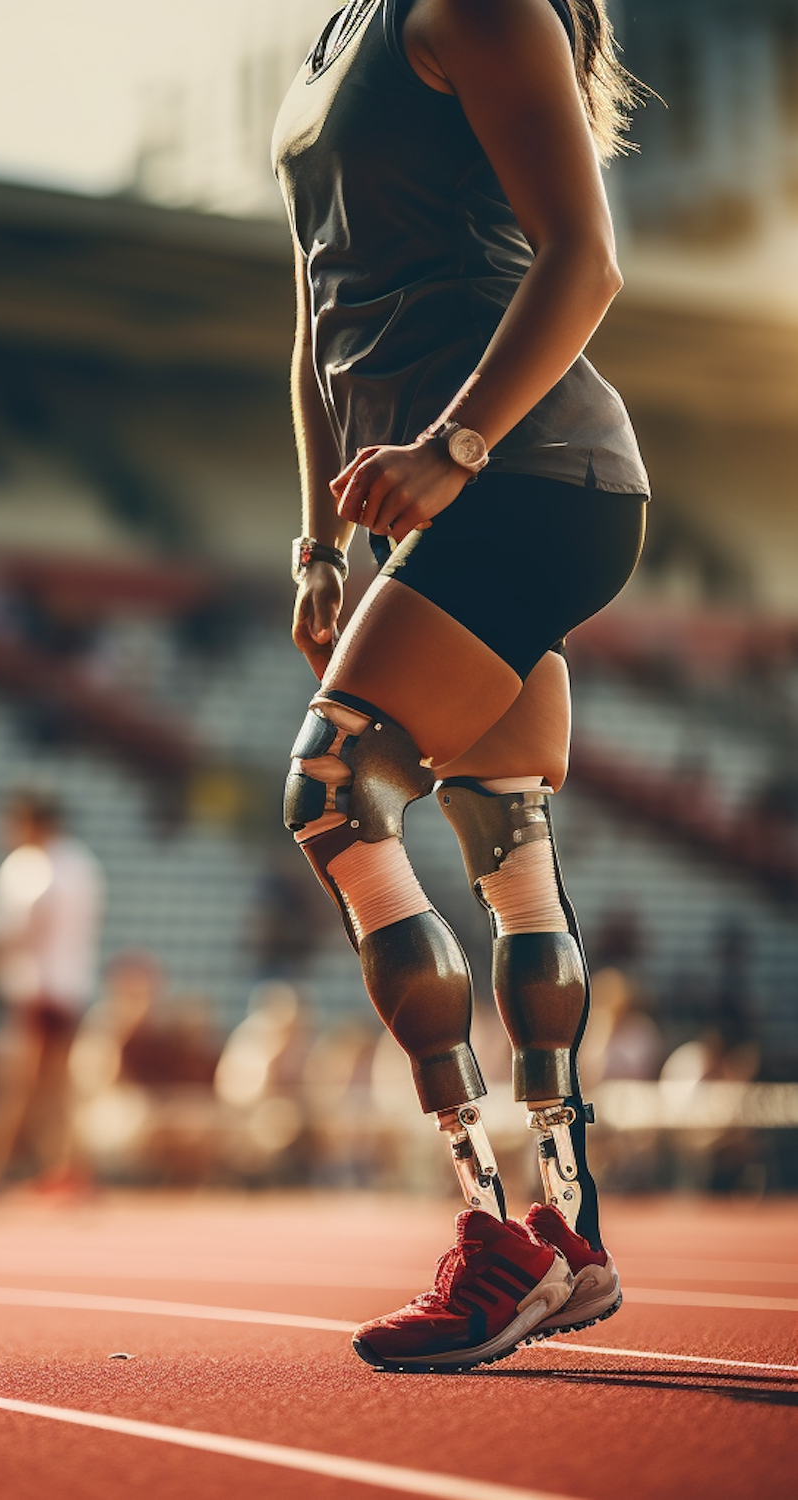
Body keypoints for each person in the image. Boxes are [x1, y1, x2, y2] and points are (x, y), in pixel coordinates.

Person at [275, 0, 646, 1371]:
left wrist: (457, 445)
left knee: (331, 793)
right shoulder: (339, 33)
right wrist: (322, 540)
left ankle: (497, 1244)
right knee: (507, 847)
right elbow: (316, 321)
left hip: (530, 474)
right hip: (440, 501)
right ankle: (569, 1236)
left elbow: (585, 261)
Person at [0, 788, 104, 1196]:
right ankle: (68, 1169)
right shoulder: (79, 864)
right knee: (55, 1090)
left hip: (38, 991)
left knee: (18, 1085)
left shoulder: (32, 868)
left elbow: (17, 931)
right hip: (67, 987)